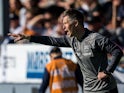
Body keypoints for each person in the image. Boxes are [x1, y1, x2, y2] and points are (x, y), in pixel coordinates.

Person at [8, 9, 123, 93]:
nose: (63, 27)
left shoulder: (95, 39)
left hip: (105, 89)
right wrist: (29, 37)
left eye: (65, 24)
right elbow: (51, 40)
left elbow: (117, 51)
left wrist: (107, 72)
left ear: (76, 23)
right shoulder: (72, 40)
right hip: (88, 90)